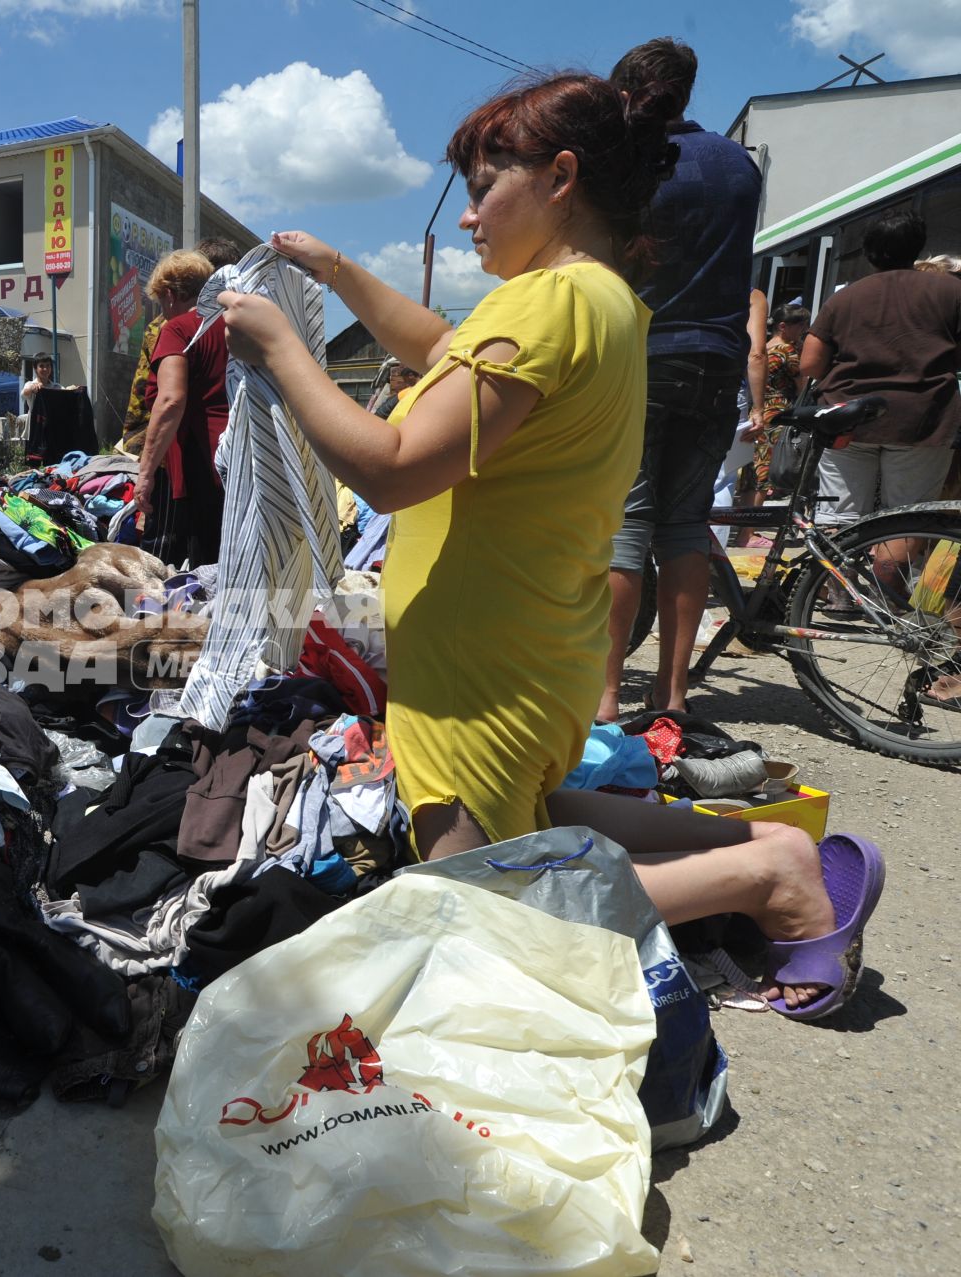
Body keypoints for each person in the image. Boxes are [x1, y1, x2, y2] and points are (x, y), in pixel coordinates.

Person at [216, 71, 851, 1014]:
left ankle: (775, 882)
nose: (469, 219)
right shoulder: (599, 300)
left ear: (560, 176)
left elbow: (390, 467)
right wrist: (337, 271)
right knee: (539, 815)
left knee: (472, 907)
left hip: (483, 672)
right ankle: (748, 843)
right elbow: (442, 351)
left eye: (483, 187)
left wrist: (281, 348)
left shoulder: (544, 307)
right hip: (529, 648)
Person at [595, 38, 763, 722]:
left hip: (645, 355)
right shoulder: (739, 165)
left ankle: (604, 696)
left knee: (626, 526)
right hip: (718, 359)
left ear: (625, 91)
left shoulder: (630, 165)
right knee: (687, 526)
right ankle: (674, 695)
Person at [800, 210, 961, 555]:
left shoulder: (845, 297)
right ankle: (884, 601)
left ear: (869, 251)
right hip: (922, 420)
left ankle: (839, 595)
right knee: (904, 516)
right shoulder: (951, 290)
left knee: (839, 512)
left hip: (847, 418)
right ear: (918, 247)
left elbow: (810, 363)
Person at [134, 249, 227, 567]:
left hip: (202, 466)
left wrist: (145, 474)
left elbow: (170, 399)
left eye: (161, 302)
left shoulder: (178, 329)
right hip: (244, 459)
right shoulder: (235, 323)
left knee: (206, 570)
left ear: (171, 294)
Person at [120, 237, 243, 454]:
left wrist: (142, 460)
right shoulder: (245, 321)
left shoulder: (169, 327)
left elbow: (160, 401)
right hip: (241, 445)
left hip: (185, 448)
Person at [751, 301, 809, 503]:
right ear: (783, 326)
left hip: (760, 410)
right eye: (800, 325)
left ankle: (746, 526)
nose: (804, 329)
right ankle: (749, 531)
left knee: (757, 467)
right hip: (780, 414)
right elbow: (803, 385)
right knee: (769, 468)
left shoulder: (764, 347)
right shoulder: (787, 351)